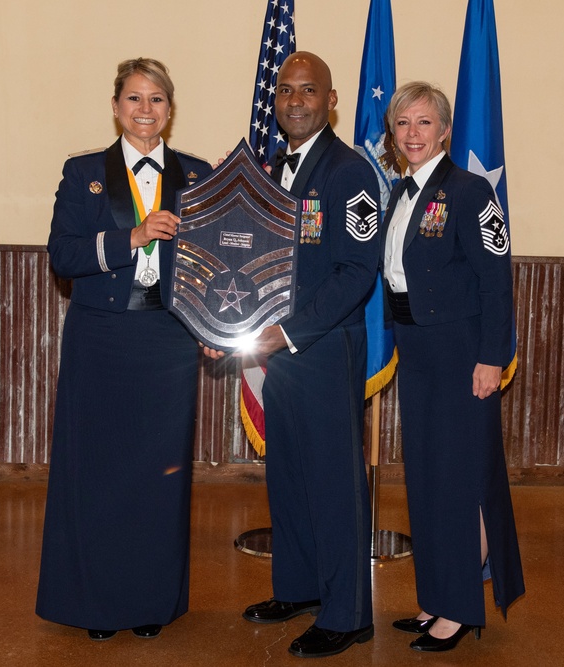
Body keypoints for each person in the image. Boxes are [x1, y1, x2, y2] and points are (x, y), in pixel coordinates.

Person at [203, 52, 380, 659]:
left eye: (309, 91)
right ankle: (301, 587)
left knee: (334, 482)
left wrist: (286, 333)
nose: (295, 101)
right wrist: (227, 325)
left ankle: (350, 612)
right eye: (285, 90)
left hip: (324, 346)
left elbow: (357, 273)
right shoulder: (274, 168)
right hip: (280, 351)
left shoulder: (349, 173)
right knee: (290, 475)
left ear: (331, 101)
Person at [36, 58, 211, 641]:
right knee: (99, 473)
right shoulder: (83, 171)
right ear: (116, 107)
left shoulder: (198, 174)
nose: (145, 110)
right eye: (134, 99)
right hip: (101, 338)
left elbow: (214, 267)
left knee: (158, 476)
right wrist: (129, 238)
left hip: (168, 341)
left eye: (157, 99)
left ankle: (151, 601)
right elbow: (64, 255)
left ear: (170, 109)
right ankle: (98, 604)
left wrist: (215, 328)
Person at [381, 81, 525, 652]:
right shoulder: (397, 193)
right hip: (416, 351)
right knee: (429, 479)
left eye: (423, 123)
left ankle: (459, 607)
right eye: (402, 124)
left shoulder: (469, 192)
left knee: (463, 479)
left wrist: (492, 356)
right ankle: (436, 595)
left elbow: (496, 277)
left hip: (464, 353)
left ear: (444, 130)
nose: (412, 134)